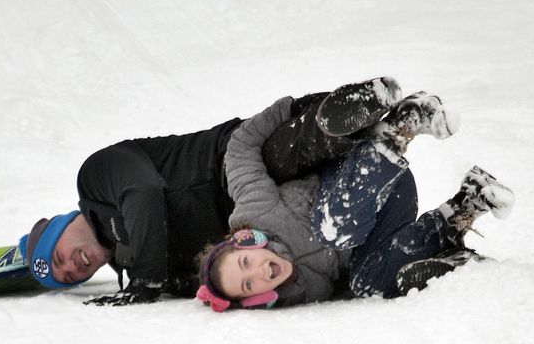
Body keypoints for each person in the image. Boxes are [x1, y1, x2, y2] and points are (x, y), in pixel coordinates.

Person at [20, 77, 459, 306]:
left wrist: (146, 282)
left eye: (60, 256)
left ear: (61, 228)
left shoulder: (95, 177)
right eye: (68, 277)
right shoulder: (132, 257)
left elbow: (145, 192)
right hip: (264, 226)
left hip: (227, 161)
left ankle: (368, 105)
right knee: (349, 251)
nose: (73, 266)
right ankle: (444, 234)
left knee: (291, 148)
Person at [193, 96, 514, 312]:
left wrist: (289, 109)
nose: (257, 274)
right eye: (248, 285)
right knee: (366, 284)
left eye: (245, 262)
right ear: (256, 298)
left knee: (337, 231)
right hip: (390, 210)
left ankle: (401, 129)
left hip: (361, 177)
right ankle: (463, 210)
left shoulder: (257, 210)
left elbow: (240, 147)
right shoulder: (299, 293)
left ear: (245, 242)